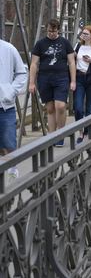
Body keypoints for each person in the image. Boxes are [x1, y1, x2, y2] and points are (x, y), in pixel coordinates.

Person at [29, 18, 76, 147]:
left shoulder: (65, 43)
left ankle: (60, 134)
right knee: (50, 108)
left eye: (54, 32)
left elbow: (71, 62)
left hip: (61, 78)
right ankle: (52, 136)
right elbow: (34, 63)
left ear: (58, 30)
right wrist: (31, 82)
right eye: (49, 31)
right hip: (44, 78)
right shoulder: (40, 43)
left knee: (60, 106)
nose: (51, 34)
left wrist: (73, 81)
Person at [0, 39, 28, 182]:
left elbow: (22, 73)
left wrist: (10, 91)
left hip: (4, 106)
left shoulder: (8, 48)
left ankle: (12, 173)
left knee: (10, 143)